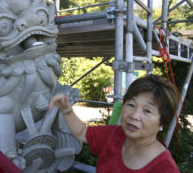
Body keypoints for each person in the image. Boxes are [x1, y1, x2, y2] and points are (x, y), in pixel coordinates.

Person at [49, 74, 180, 173]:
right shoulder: (114, 135)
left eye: (147, 111)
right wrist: (66, 109)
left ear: (162, 121)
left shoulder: (164, 168)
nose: (134, 116)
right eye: (131, 104)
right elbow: (82, 132)